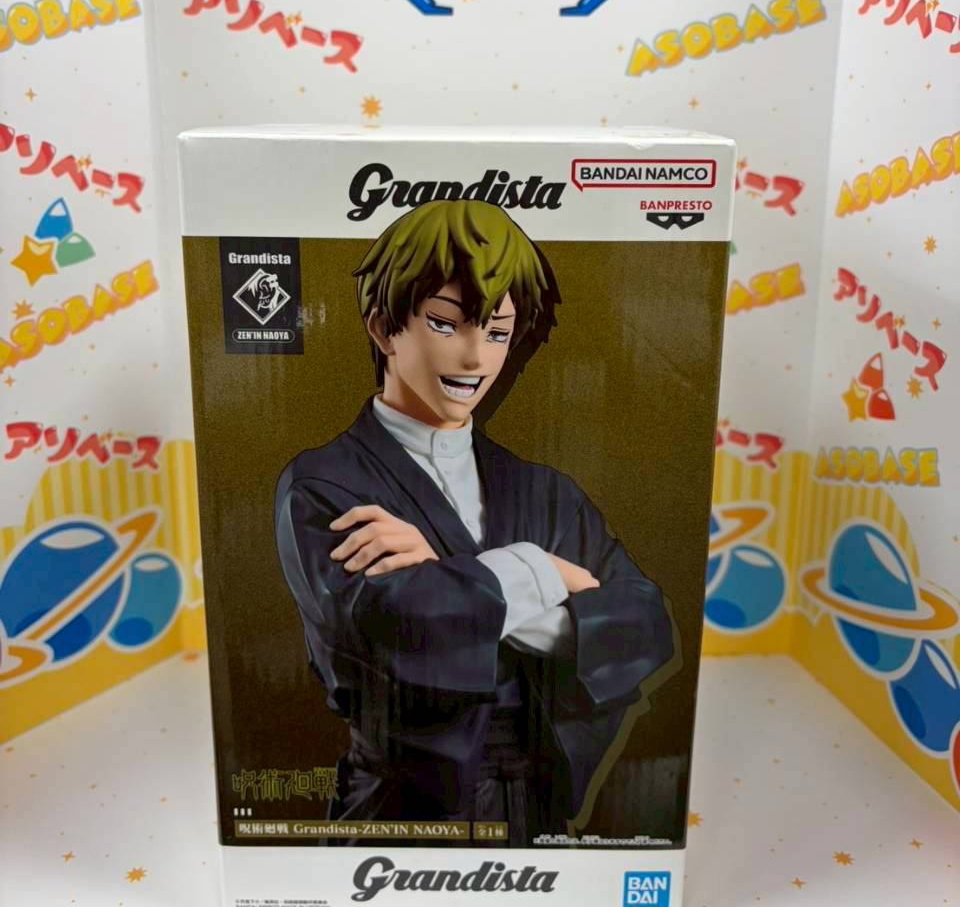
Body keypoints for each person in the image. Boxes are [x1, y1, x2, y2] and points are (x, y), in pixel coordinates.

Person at [275, 199, 675, 844]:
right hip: (402, 807)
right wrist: (545, 572)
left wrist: (453, 579)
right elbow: (399, 626)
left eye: (497, 332)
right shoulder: (325, 483)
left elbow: (643, 623)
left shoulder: (544, 490)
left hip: (535, 802)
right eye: (445, 323)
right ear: (384, 328)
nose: (474, 358)